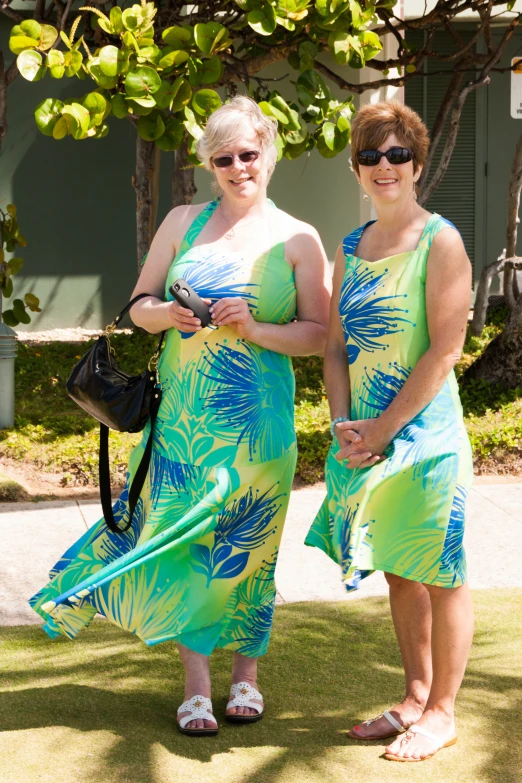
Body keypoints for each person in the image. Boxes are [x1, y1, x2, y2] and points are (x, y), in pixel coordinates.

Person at [30, 96, 331, 736]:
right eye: (224, 157)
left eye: (248, 153)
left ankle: (245, 680)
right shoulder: (182, 222)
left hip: (259, 424)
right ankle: (196, 688)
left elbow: (317, 334)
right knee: (185, 543)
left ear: (268, 152)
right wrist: (169, 314)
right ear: (209, 163)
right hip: (181, 423)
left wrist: (252, 326)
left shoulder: (299, 237)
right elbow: (138, 303)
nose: (238, 167)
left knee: (250, 548)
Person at [305, 101, 474, 762]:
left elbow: (444, 351)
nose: (384, 166)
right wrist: (347, 423)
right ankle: (413, 695)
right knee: (400, 570)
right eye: (371, 155)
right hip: (368, 437)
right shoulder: (349, 248)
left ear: (418, 163)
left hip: (424, 437)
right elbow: (335, 349)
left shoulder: (442, 241)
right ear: (356, 166)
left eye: (397, 154)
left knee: (442, 571)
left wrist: (382, 427)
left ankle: (442, 711)